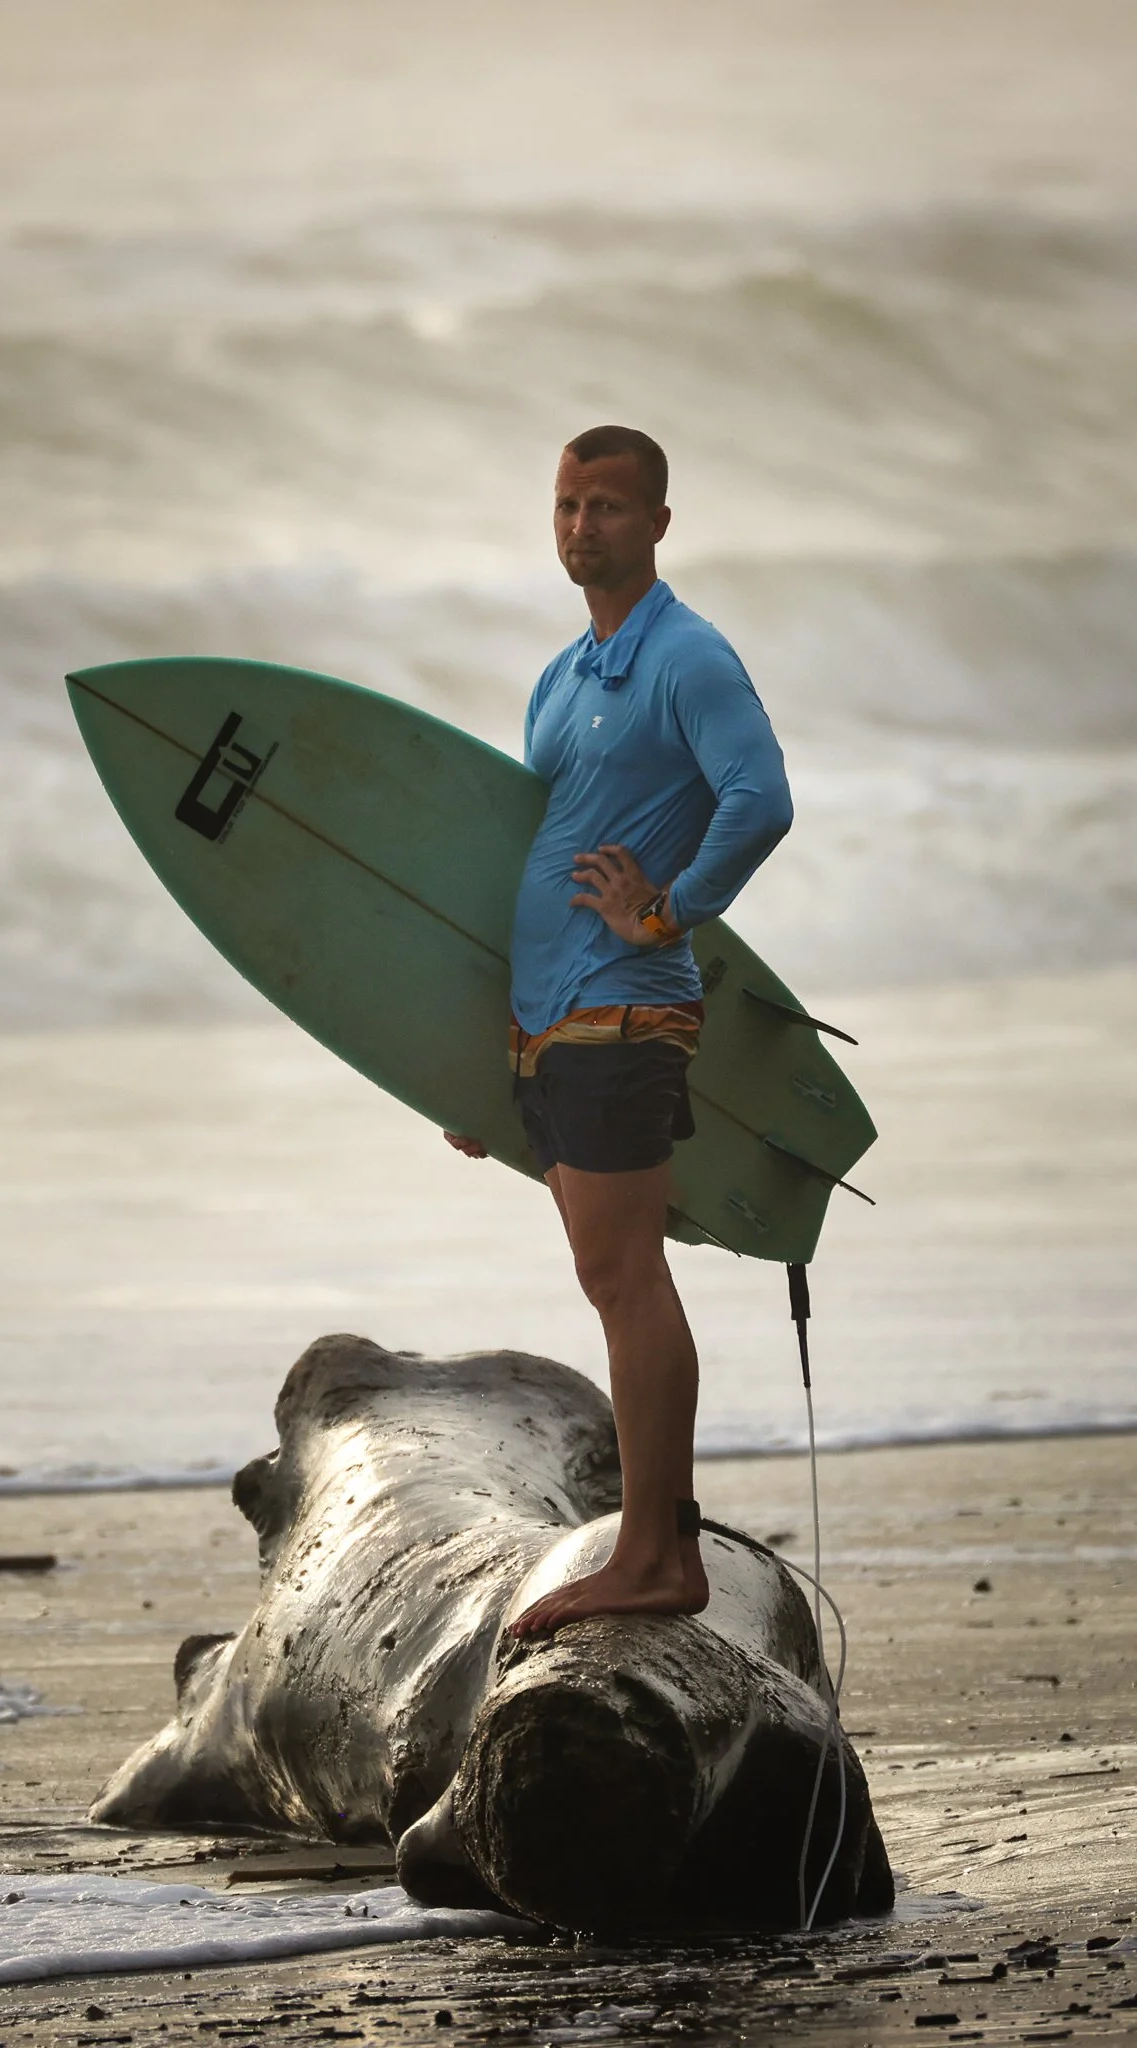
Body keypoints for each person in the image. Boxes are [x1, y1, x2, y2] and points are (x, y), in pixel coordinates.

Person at [444, 424, 793, 1635]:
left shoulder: (688, 657)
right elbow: (518, 850)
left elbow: (762, 798)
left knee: (626, 1275)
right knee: (609, 1273)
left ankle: (659, 1551)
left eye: (606, 506)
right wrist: (475, 1054)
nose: (581, 525)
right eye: (566, 503)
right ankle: (653, 1544)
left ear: (656, 524)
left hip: (627, 1007)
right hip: (554, 1017)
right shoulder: (561, 676)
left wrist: (668, 909)